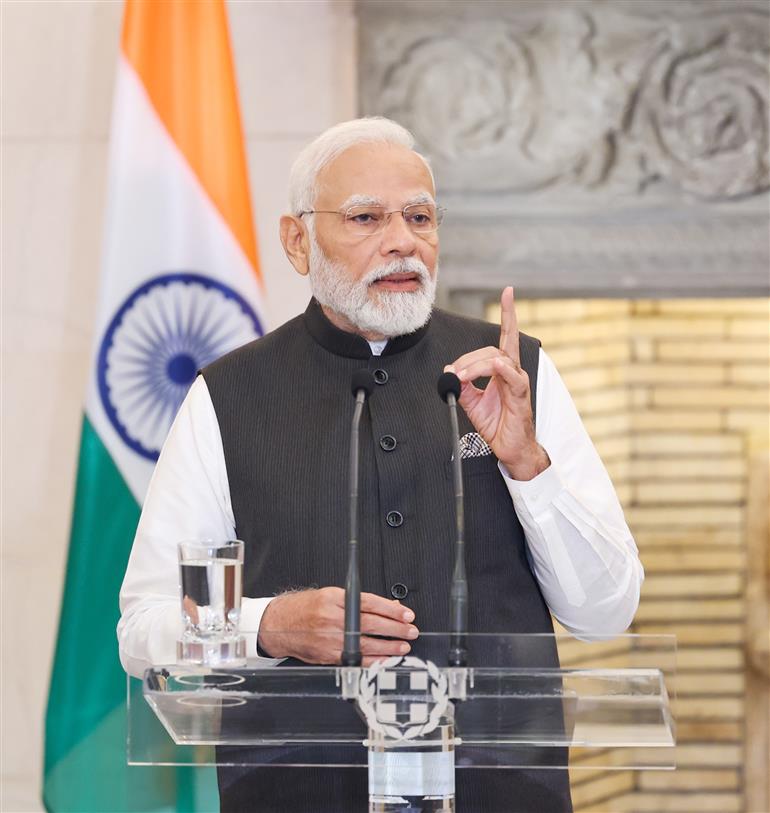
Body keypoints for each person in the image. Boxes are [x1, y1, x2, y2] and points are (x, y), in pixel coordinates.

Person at [118, 117, 643, 812]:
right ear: (297, 240)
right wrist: (269, 624)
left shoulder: (516, 374)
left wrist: (529, 464)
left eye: (420, 217)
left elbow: (608, 611)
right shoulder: (227, 395)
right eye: (366, 217)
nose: (403, 241)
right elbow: (145, 628)